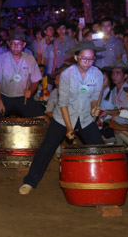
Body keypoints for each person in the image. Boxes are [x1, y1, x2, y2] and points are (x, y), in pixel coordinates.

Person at [20, 40, 105, 195]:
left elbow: (94, 97)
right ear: (76, 57)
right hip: (63, 117)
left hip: (85, 117)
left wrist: (94, 107)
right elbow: (63, 103)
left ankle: (105, 182)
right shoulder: (67, 75)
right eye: (84, 59)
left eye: (91, 59)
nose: (88, 62)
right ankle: (30, 181)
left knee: (99, 148)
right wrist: (69, 128)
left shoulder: (97, 74)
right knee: (47, 148)